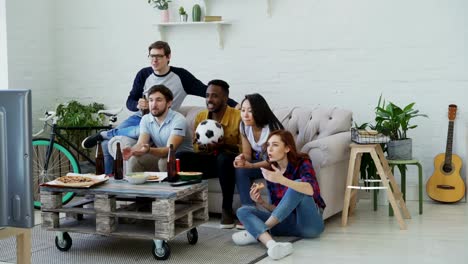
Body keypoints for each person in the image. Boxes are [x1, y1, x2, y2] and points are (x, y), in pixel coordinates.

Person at [82, 40, 238, 174]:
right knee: (106, 145)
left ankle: (106, 133)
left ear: (168, 57)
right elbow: (130, 101)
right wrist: (137, 104)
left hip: (163, 121)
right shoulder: (143, 74)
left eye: (158, 56)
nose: (154, 60)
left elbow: (206, 91)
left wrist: (236, 104)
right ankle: (109, 185)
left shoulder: (181, 76)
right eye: (151, 56)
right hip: (140, 118)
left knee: (130, 133)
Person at [232, 130, 326, 260]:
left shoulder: (303, 162)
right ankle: (272, 245)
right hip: (286, 224)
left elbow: (310, 190)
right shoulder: (272, 170)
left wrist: (281, 179)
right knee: (243, 211)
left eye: (275, 145)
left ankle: (257, 232)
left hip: (309, 225)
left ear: (287, 148)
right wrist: (261, 202)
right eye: (268, 145)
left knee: (297, 184)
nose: (269, 149)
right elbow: (279, 211)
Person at [176, 79, 241, 229]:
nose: (209, 100)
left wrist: (224, 145)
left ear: (225, 98)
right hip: (210, 160)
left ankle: (226, 209)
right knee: (180, 157)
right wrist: (202, 146)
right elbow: (197, 150)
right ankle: (184, 205)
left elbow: (245, 149)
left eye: (214, 96)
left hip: (229, 162)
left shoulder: (238, 117)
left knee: (224, 158)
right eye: (207, 95)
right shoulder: (201, 117)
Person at [122, 85, 193, 172]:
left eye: (158, 100)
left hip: (184, 159)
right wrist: (132, 150)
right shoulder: (146, 119)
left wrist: (149, 150)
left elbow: (169, 150)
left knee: (165, 162)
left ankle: (167, 186)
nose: (154, 104)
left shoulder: (178, 120)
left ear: (169, 103)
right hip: (163, 157)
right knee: (134, 159)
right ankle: (137, 185)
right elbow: (141, 143)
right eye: (151, 100)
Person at [233, 94, 284, 210]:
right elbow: (247, 154)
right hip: (261, 162)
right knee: (241, 170)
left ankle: (274, 215)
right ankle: (249, 210)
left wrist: (251, 165)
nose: (245, 115)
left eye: (250, 111)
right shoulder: (244, 126)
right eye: (243, 110)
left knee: (271, 173)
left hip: (277, 165)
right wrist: (241, 159)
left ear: (259, 112)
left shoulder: (272, 129)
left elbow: (273, 161)